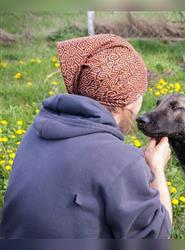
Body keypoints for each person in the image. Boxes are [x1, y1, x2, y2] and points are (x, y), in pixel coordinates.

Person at [0, 34, 172, 238]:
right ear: (129, 102)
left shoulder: (35, 132)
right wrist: (156, 168)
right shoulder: (121, 161)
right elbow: (158, 236)